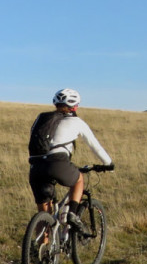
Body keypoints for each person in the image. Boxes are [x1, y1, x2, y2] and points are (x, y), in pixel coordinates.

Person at [28, 88, 115, 235]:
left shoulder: (42, 119)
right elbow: (96, 147)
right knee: (79, 178)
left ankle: (41, 253)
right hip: (57, 163)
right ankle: (72, 214)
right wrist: (109, 164)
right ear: (75, 106)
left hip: (35, 166)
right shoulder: (77, 122)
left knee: (44, 216)